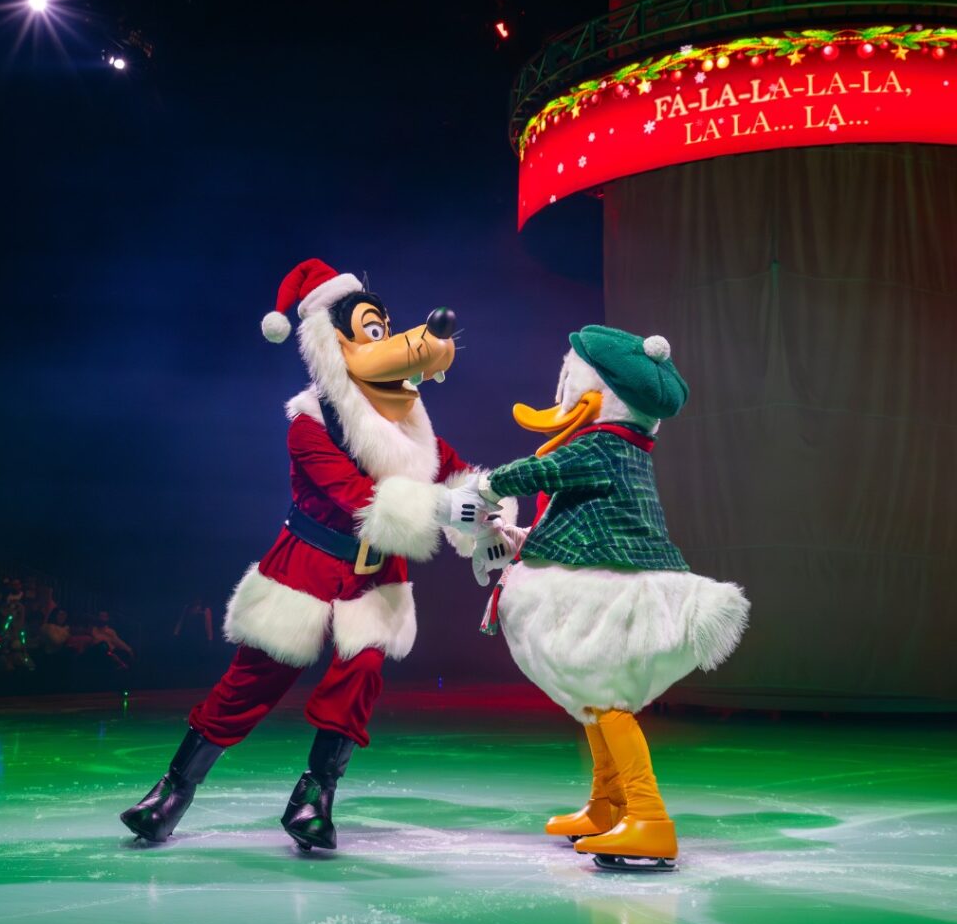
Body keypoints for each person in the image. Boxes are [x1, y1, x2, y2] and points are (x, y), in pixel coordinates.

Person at [119, 258, 511, 851]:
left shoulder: (410, 421)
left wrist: (493, 517)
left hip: (375, 577)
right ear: (335, 345)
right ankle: (173, 790)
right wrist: (437, 508)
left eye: (384, 327)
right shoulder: (310, 421)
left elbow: (457, 473)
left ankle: (314, 798)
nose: (387, 342)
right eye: (369, 331)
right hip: (307, 564)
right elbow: (355, 496)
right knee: (251, 681)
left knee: (361, 677)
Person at [475, 326, 749, 873]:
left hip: (617, 600)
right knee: (596, 707)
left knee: (608, 704)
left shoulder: (602, 445)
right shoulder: (621, 451)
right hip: (612, 584)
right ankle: (609, 805)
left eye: (569, 382)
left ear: (601, 394)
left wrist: (488, 487)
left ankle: (648, 818)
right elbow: (582, 523)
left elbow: (541, 470)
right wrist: (523, 540)